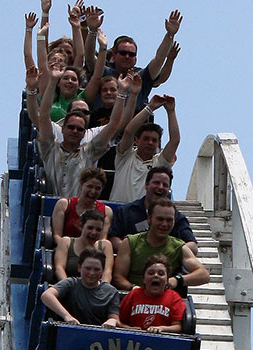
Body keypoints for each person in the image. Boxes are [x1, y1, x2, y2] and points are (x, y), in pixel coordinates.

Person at [36, 63, 126, 198]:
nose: (75, 131)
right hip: (51, 213)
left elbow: (114, 124)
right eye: (71, 127)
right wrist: (53, 81)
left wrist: (122, 92)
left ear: (84, 132)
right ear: (62, 128)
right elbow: (43, 116)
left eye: (79, 129)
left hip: (80, 214)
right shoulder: (50, 148)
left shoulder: (89, 151)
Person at [84, 8, 183, 110]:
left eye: (131, 54)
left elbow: (159, 59)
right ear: (114, 55)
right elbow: (89, 56)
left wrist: (170, 35)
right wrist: (92, 31)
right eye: (123, 53)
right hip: (101, 124)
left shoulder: (141, 78)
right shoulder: (104, 72)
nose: (127, 56)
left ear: (136, 59)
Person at [112, 198, 209, 291]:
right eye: (160, 219)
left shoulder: (179, 247)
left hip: (165, 302)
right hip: (134, 299)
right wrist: (135, 290)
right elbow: (118, 277)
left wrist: (177, 279)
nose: (164, 224)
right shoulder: (130, 242)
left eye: (169, 220)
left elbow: (203, 274)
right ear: (149, 219)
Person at [108, 167, 198, 255]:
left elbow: (192, 246)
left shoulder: (176, 217)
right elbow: (113, 238)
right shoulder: (125, 211)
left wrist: (168, 254)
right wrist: (135, 253)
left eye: (165, 185)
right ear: (146, 184)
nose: (160, 187)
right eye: (156, 183)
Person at [109, 94, 180, 203]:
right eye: (146, 139)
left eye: (154, 140)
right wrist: (150, 107)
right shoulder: (125, 156)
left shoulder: (160, 163)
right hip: (119, 213)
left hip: (146, 217)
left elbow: (174, 141)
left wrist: (171, 111)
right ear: (137, 141)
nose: (150, 143)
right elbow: (128, 132)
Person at [41, 247, 120, 328]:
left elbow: (114, 317)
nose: (92, 273)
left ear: (102, 271)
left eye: (96, 269)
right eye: (88, 268)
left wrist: (112, 321)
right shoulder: (70, 283)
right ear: (79, 268)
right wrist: (67, 316)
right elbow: (46, 295)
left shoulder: (111, 292)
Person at [119, 255, 186, 333]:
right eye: (151, 273)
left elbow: (178, 327)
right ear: (143, 279)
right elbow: (120, 322)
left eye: (161, 274)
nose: (156, 275)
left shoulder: (174, 297)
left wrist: (161, 329)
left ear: (167, 280)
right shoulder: (133, 294)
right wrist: (129, 329)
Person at [52, 168, 113, 243]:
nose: (93, 191)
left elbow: (102, 240)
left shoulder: (107, 211)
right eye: (89, 186)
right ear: (81, 184)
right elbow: (57, 236)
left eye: (97, 188)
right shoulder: (64, 205)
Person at [54, 210, 114, 282]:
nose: (94, 232)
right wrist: (67, 287)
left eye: (98, 230)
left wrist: (102, 289)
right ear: (81, 227)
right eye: (90, 228)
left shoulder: (105, 245)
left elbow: (107, 272)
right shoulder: (66, 242)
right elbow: (59, 268)